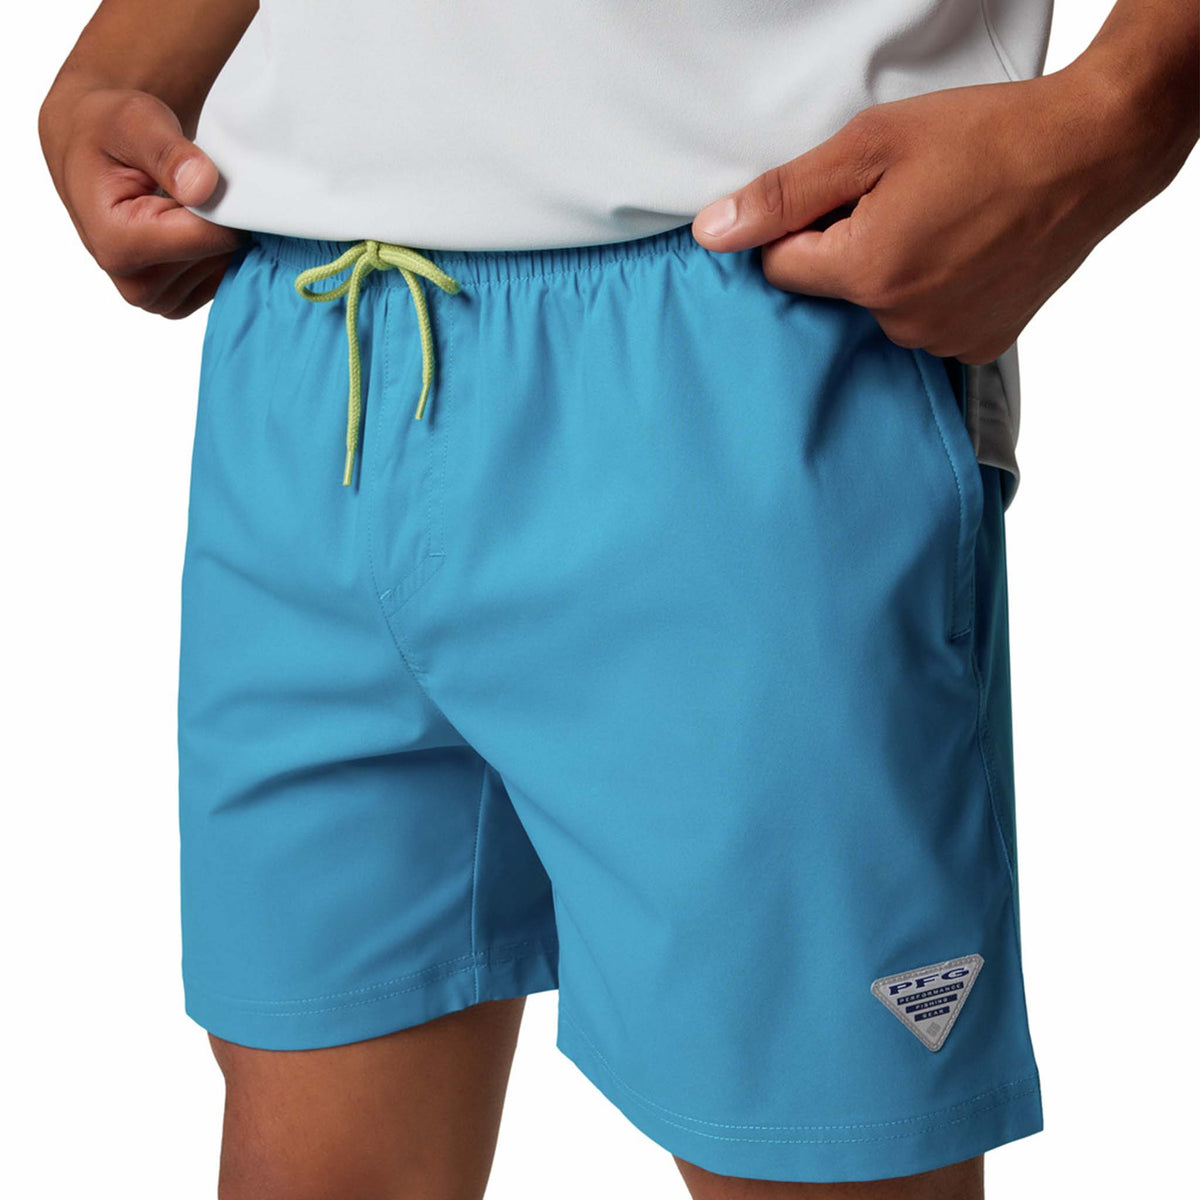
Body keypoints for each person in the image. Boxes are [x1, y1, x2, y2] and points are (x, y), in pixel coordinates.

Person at [38, 2, 1196, 1197]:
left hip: (747, 321)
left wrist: (1125, 107)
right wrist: (122, 59)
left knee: (816, 1159)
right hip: (316, 343)